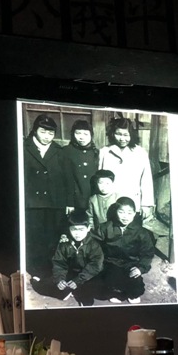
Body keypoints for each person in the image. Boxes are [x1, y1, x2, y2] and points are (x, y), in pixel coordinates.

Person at [24, 114, 69, 279]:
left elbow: (66, 178)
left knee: (52, 237)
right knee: (34, 237)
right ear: (35, 130)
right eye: (43, 132)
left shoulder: (59, 151)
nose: (46, 136)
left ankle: (51, 270)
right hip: (32, 202)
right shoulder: (24, 147)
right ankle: (35, 270)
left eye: (51, 133)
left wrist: (67, 202)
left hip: (54, 202)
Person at [32, 209, 104, 307]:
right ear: (69, 229)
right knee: (45, 286)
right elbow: (59, 263)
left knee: (92, 291)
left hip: (88, 275)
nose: (77, 233)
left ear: (88, 228)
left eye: (81, 230)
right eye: (74, 229)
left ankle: (80, 295)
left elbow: (95, 266)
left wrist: (78, 280)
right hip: (71, 273)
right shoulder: (64, 244)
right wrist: (59, 279)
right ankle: (65, 291)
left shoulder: (94, 245)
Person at [93, 196, 155, 304]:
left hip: (131, 263)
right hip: (110, 263)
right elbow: (93, 243)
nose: (125, 216)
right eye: (121, 212)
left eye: (129, 213)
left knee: (135, 290)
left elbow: (147, 253)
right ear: (116, 212)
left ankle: (130, 290)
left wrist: (140, 268)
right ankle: (114, 292)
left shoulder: (141, 232)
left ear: (134, 213)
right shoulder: (106, 228)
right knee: (107, 284)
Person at [98, 117, 155, 221]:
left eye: (126, 135)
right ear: (112, 134)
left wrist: (146, 204)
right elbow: (99, 179)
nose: (122, 139)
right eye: (118, 134)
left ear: (131, 135)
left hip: (133, 204)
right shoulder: (105, 152)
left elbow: (146, 180)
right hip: (110, 204)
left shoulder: (140, 153)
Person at [63, 119, 99, 210]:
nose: (81, 137)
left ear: (91, 135)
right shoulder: (66, 151)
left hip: (93, 200)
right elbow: (66, 179)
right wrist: (69, 203)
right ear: (73, 134)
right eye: (78, 133)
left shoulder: (96, 152)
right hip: (75, 201)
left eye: (85, 134)